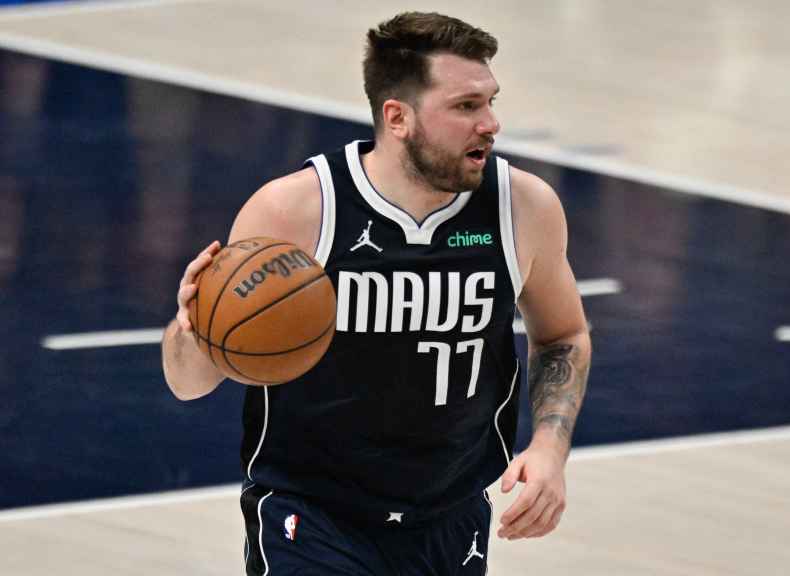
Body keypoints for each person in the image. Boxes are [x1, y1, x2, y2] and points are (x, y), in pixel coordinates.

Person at [161, 11, 591, 575]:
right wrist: (195, 327)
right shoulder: (296, 211)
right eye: (466, 106)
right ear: (398, 117)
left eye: (490, 101)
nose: (491, 123)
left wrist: (550, 450)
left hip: (451, 517)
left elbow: (563, 336)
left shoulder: (523, 207)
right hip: (311, 516)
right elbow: (187, 383)